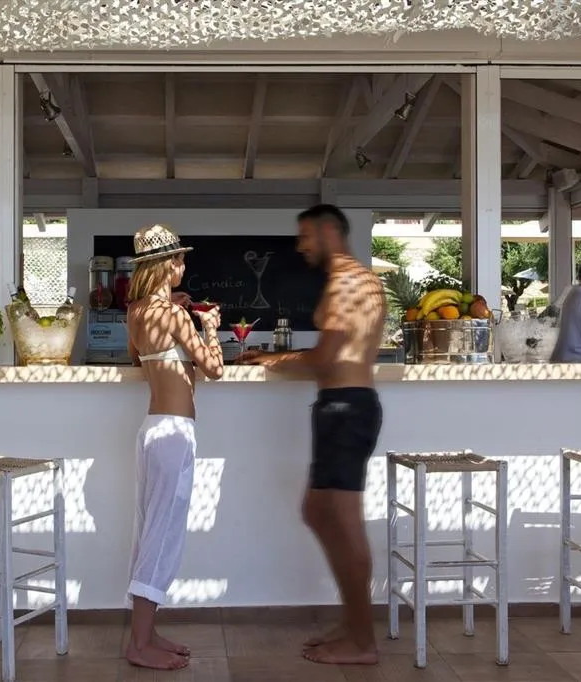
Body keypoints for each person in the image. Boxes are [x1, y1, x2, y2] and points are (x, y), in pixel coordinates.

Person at [237, 204, 385, 666]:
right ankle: (353, 622)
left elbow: (327, 357)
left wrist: (273, 359)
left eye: (305, 236)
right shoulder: (355, 279)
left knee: (342, 520)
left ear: (327, 232)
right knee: (319, 511)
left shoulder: (347, 282)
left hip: (346, 409)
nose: (300, 246)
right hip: (341, 409)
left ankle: (363, 640)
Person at [124, 224, 224, 671]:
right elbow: (214, 368)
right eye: (180, 259)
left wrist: (175, 313)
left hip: (151, 430)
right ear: (168, 265)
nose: (183, 265)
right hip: (175, 433)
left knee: (148, 531)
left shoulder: (136, 312)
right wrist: (210, 327)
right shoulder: (176, 316)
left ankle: (146, 634)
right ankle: (138, 645)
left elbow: (137, 357)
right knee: (162, 535)